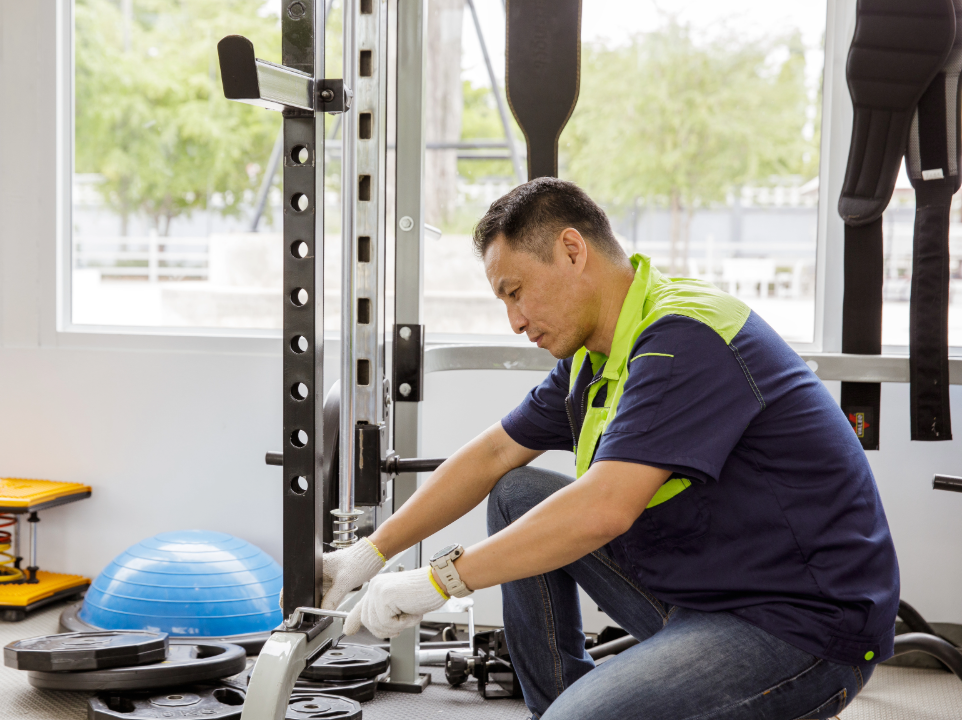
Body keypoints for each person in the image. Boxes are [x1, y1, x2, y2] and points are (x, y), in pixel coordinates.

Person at [321, 178, 899, 720]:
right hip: (700, 590)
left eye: (516, 293)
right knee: (517, 492)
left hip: (801, 627)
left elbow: (603, 509)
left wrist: (437, 582)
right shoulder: (593, 356)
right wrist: (368, 554)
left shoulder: (684, 338)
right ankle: (562, 702)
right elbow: (494, 454)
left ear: (573, 250)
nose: (515, 322)